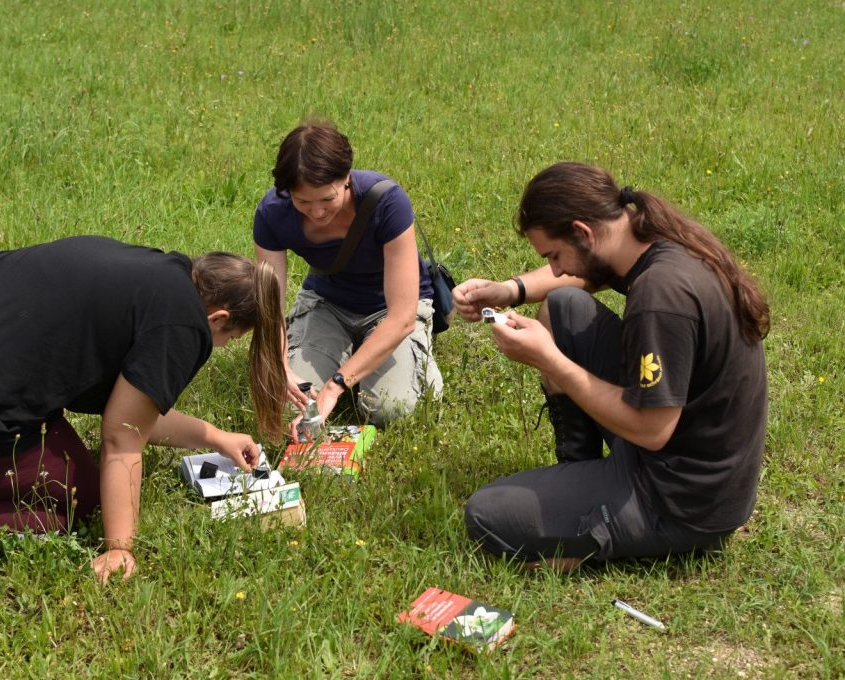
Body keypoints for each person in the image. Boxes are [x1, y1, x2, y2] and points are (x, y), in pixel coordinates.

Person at [0, 236, 285, 583]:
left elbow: (133, 407)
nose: (219, 346)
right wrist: (120, 546)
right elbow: (122, 435)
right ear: (219, 319)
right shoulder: (183, 322)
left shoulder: (156, 271)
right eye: (229, 340)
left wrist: (215, 437)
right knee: (72, 497)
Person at [455, 162, 769, 570]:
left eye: (554, 254)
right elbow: (584, 278)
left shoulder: (659, 298)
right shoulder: (652, 235)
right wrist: (509, 291)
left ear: (583, 232)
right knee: (564, 306)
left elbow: (652, 431)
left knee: (485, 514)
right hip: (696, 462)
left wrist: (549, 359)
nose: (554, 269)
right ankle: (580, 473)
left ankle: (600, 534)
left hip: (683, 503)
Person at [253, 119, 442, 433]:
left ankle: (410, 359)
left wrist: (334, 386)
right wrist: (281, 367)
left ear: (347, 179)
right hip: (328, 304)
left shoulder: (387, 202)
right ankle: (358, 356)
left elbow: (401, 316)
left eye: (328, 199)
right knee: (289, 404)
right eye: (303, 201)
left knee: (390, 410)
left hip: (390, 310)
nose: (316, 212)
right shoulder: (272, 213)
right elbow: (270, 305)